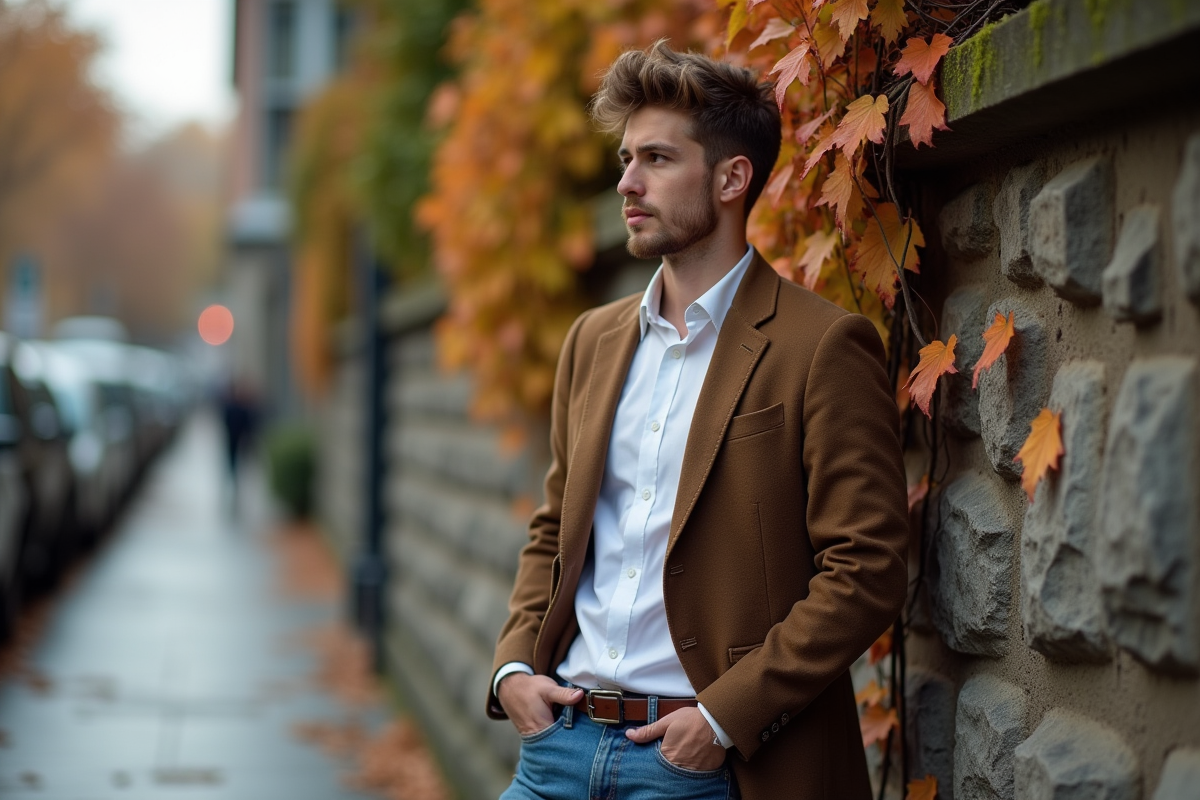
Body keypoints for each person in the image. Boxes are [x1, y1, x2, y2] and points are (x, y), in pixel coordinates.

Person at [489, 41, 909, 800]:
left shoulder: (821, 347)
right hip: (556, 748)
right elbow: (555, 529)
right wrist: (516, 666)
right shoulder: (592, 340)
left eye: (655, 158)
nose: (627, 182)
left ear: (730, 178)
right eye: (625, 158)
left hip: (702, 765)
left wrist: (720, 719)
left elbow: (867, 570)